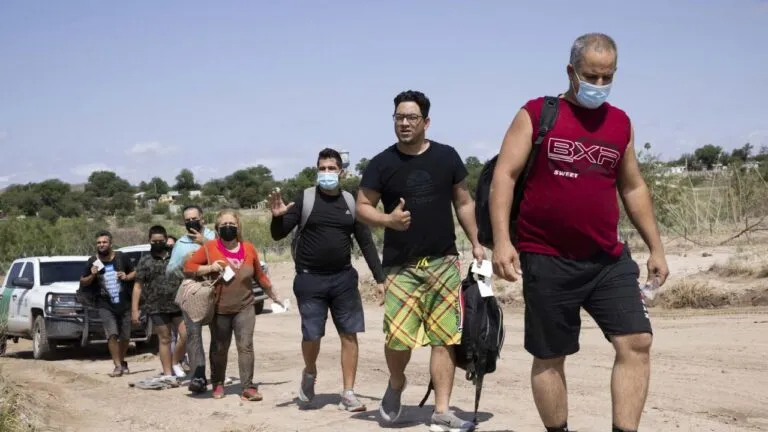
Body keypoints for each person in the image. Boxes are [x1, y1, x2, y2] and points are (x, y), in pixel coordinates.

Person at [489, 33, 670, 432]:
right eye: (591, 76)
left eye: (608, 77)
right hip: (546, 257)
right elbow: (505, 175)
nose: (599, 85)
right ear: (571, 71)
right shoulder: (536, 113)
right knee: (550, 356)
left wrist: (656, 247)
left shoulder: (620, 123)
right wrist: (502, 241)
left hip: (607, 259)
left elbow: (633, 186)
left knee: (637, 342)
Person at [356, 90, 485, 431]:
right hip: (400, 267)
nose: (404, 123)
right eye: (399, 117)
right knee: (398, 338)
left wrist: (476, 242)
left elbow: (464, 202)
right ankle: (396, 381)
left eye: (411, 117)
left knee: (444, 338)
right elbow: (362, 207)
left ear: (426, 122)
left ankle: (441, 411)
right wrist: (387, 220)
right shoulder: (382, 163)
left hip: (444, 262)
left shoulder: (447, 156)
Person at [268, 148, 387, 412]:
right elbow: (278, 234)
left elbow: (366, 242)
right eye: (322, 168)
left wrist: (380, 278)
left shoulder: (350, 202)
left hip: (343, 279)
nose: (326, 173)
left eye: (332, 168)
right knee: (312, 335)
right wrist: (277, 218)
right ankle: (309, 372)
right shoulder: (306, 199)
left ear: (341, 172)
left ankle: (348, 393)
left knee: (349, 334)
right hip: (309, 280)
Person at [183, 209, 284, 401]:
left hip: (245, 307)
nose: (228, 227)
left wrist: (274, 295)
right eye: (224, 225)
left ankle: (248, 387)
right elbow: (188, 267)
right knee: (220, 347)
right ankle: (218, 383)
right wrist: (210, 267)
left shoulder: (249, 248)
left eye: (232, 224)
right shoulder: (210, 247)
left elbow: (260, 275)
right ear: (217, 229)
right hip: (219, 308)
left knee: (246, 346)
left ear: (238, 227)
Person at [166, 205, 216, 393]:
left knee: (219, 336)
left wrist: (206, 244)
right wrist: (183, 261)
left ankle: (218, 375)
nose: (191, 222)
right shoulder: (180, 244)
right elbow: (169, 272)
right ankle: (198, 376)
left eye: (194, 218)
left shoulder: (214, 236)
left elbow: (227, 257)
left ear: (202, 218)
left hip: (216, 289)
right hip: (192, 291)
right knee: (193, 336)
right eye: (187, 220)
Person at [131, 225, 187, 380]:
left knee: (186, 335)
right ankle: (168, 374)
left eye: (160, 241)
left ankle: (175, 362)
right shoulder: (145, 261)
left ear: (166, 239)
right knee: (165, 339)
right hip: (156, 306)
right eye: (154, 241)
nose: (157, 244)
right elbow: (137, 286)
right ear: (149, 240)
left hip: (178, 304)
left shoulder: (175, 255)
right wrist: (135, 310)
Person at [80, 230, 135, 377]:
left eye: (104, 242)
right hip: (105, 304)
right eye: (99, 242)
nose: (101, 245)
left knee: (125, 336)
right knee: (112, 334)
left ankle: (121, 361)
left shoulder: (121, 257)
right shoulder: (93, 261)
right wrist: (92, 274)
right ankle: (117, 366)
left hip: (124, 302)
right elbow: (83, 281)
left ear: (110, 243)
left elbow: (135, 273)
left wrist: (126, 276)